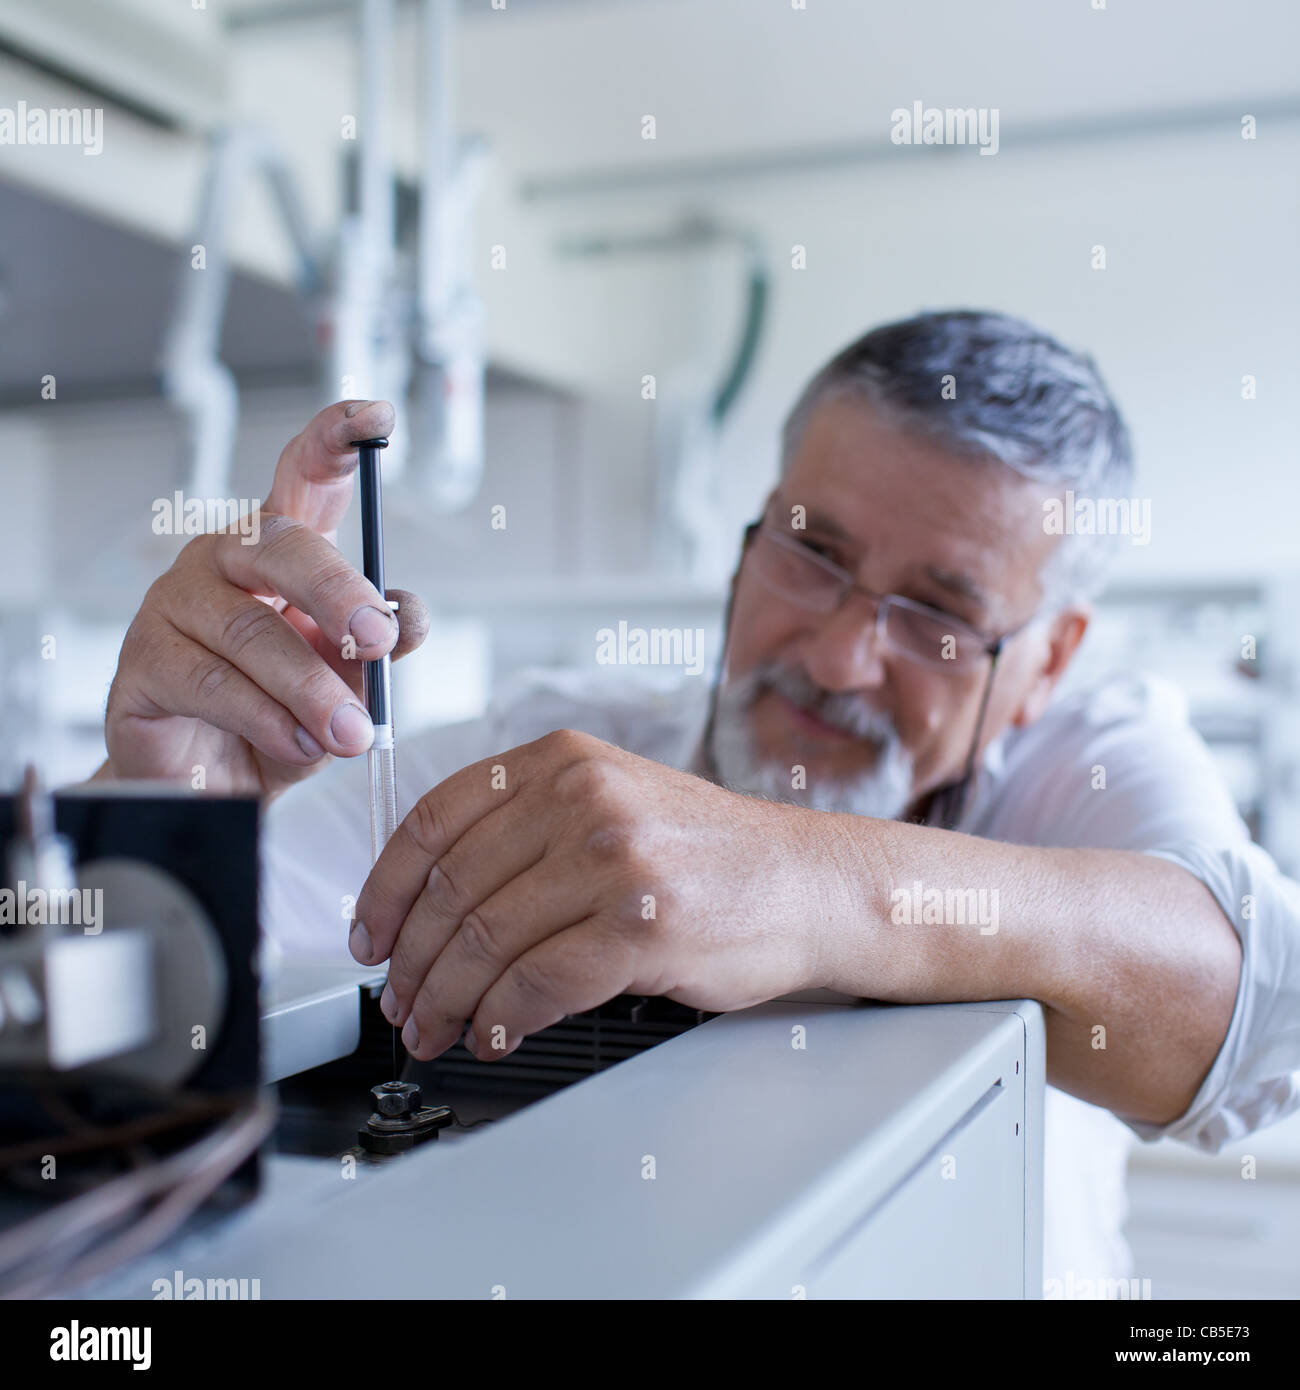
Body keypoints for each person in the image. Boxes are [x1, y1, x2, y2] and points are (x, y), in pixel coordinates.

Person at [95, 310, 1300, 1294]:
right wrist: (166, 809)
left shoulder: (1088, 756)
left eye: (937, 615)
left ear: (1048, 660)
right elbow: (177, 973)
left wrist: (797, 875)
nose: (837, 658)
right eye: (810, 552)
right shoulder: (555, 750)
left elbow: (1256, 1011)